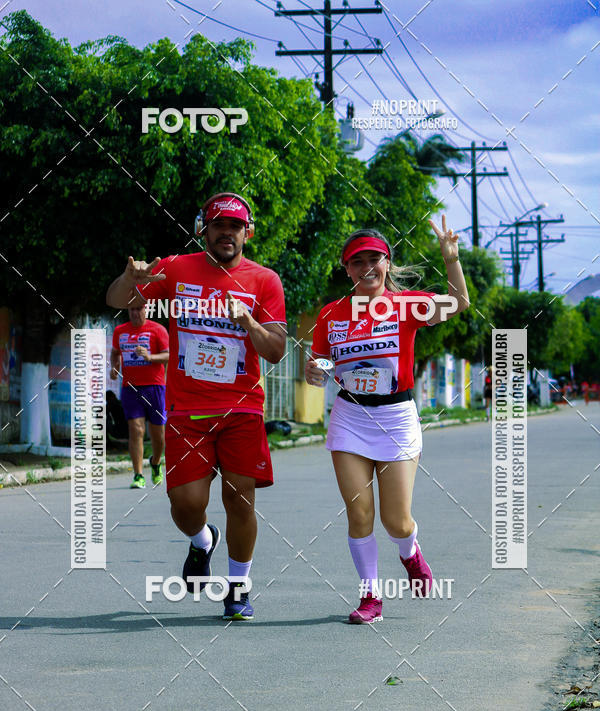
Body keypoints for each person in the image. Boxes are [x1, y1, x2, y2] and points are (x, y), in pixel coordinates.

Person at [106, 192, 286, 620]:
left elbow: (277, 350)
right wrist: (131, 278)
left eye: (236, 226)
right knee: (185, 503)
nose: (227, 232)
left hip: (242, 408)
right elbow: (116, 299)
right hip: (187, 411)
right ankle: (203, 540)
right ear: (203, 229)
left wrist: (248, 322)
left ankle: (238, 588)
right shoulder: (177, 268)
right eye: (219, 225)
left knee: (240, 498)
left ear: (249, 232)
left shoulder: (264, 280)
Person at [305, 216, 469, 624]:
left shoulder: (406, 304)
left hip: (396, 418)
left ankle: (410, 553)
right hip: (350, 417)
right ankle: (370, 597)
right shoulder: (330, 315)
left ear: (387, 263)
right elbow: (321, 364)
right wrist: (314, 372)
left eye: (374, 259)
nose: (367, 268)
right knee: (359, 514)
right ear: (347, 270)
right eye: (357, 262)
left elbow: (459, 303)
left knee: (396, 521)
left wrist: (451, 260)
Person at [110, 306, 169, 488]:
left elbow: (168, 355)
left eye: (139, 309)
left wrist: (149, 357)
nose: (135, 313)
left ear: (146, 310)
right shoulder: (120, 331)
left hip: (155, 387)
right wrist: (114, 367)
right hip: (131, 388)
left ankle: (156, 462)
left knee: (158, 435)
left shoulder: (157, 329)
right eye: (131, 310)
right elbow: (114, 352)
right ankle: (138, 475)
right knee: (136, 430)